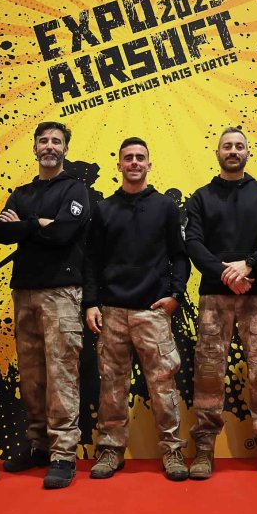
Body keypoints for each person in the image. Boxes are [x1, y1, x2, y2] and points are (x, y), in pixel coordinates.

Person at [185, 127, 257, 480]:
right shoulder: (200, 198)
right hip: (215, 296)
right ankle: (204, 448)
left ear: (248, 153)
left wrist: (249, 265)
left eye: (239, 146)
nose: (233, 151)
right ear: (217, 153)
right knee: (208, 373)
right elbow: (193, 244)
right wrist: (225, 273)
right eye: (227, 146)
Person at [83, 137, 190, 481]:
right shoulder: (103, 209)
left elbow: (179, 256)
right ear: (119, 165)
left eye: (139, 157)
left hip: (153, 312)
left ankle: (172, 452)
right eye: (128, 157)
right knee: (112, 388)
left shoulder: (165, 207)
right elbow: (91, 260)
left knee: (163, 387)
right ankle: (110, 451)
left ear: (148, 164)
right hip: (112, 312)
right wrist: (91, 302)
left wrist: (176, 295)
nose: (134, 162)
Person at [0, 121, 89, 489]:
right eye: (43, 141)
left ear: (65, 149)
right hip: (24, 292)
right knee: (32, 376)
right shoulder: (21, 192)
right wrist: (39, 224)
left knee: (62, 375)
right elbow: (1, 232)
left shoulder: (75, 189)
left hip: (61, 293)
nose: (49, 146)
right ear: (34, 148)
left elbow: (65, 232)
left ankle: (63, 454)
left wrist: (25, 225)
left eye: (56, 141)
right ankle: (39, 445)